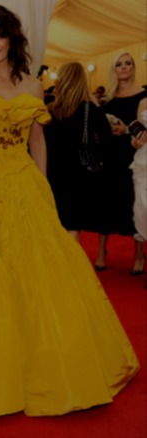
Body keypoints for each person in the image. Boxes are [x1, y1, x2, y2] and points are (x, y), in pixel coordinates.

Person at [0, 5, 139, 417]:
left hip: (20, 178)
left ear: (14, 39)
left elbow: (38, 142)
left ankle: (29, 357)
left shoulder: (33, 88)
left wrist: (43, 188)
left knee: (29, 264)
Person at [44, 62, 112, 242]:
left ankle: (57, 266)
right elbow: (107, 139)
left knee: (54, 222)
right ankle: (71, 268)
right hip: (79, 175)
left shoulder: (49, 109)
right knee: (72, 226)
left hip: (53, 172)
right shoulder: (91, 109)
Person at [94, 52, 147, 274]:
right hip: (109, 155)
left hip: (132, 155)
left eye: (128, 63)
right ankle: (101, 251)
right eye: (119, 64)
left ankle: (138, 255)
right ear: (113, 69)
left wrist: (126, 130)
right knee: (105, 201)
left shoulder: (143, 97)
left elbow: (143, 132)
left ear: (134, 68)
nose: (124, 67)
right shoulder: (107, 100)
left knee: (135, 203)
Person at [131, 97, 147, 278]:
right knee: (142, 209)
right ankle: (140, 254)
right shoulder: (143, 102)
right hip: (144, 162)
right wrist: (135, 143)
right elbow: (138, 137)